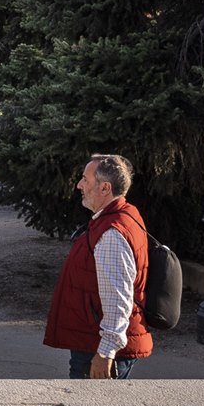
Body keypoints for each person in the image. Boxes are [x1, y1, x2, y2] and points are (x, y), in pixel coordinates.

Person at [44, 154, 152, 380]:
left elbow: (118, 297)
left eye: (85, 179)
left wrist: (106, 352)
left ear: (105, 188)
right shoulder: (121, 215)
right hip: (95, 341)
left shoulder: (112, 233)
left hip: (99, 349)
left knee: (92, 402)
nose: (79, 185)